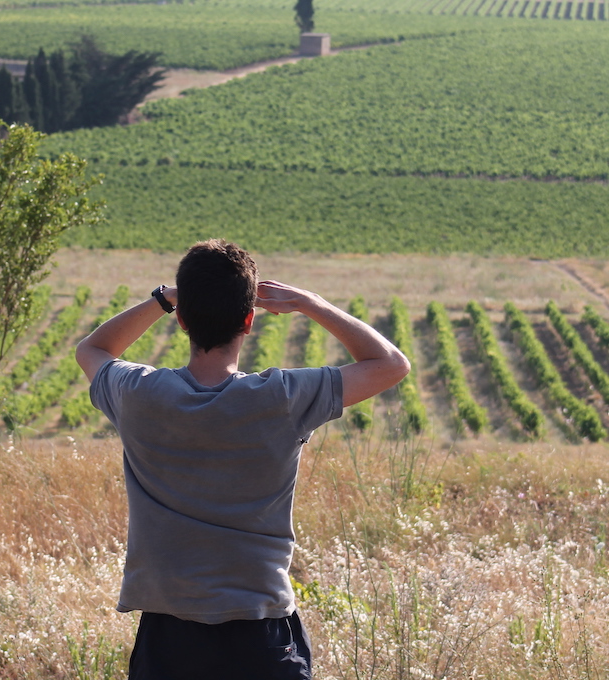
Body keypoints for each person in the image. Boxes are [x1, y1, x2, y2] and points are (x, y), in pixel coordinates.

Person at [76, 239, 410, 680]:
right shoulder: (283, 398)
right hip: (262, 632)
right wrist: (312, 304)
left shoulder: (138, 393)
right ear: (249, 320)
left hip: (168, 634)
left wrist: (163, 298)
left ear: (182, 321)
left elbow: (92, 350)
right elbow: (390, 363)